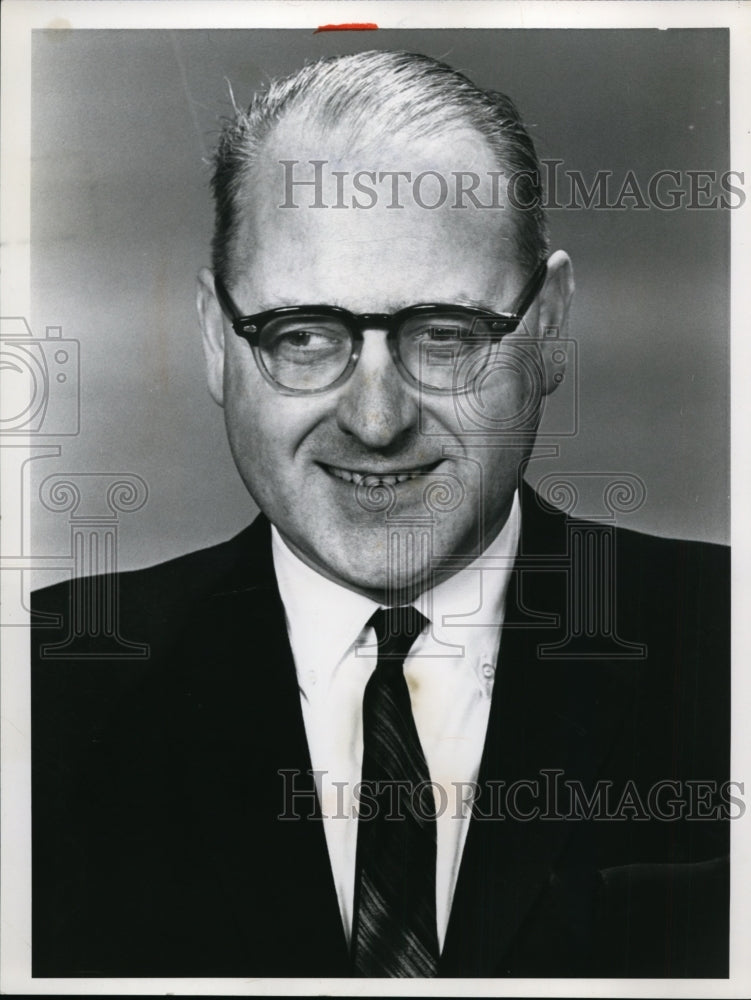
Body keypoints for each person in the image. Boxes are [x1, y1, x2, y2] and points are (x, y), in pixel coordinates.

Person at [31, 50, 729, 979]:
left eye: (444, 334)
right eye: (303, 336)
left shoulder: (727, 641)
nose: (375, 419)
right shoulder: (41, 689)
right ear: (212, 339)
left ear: (550, 326)